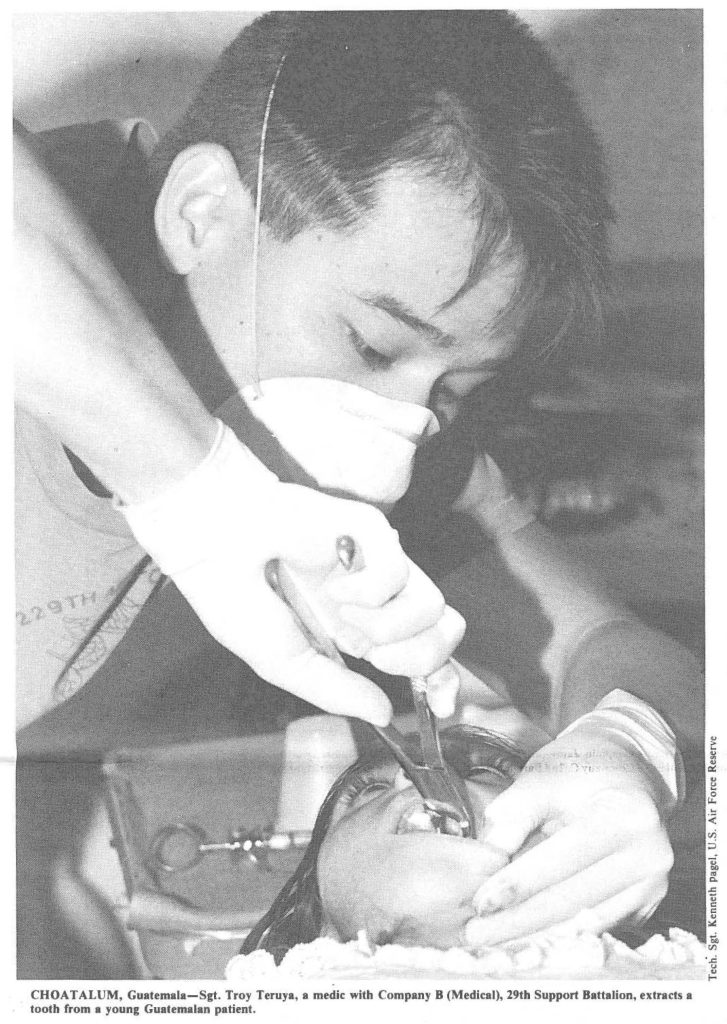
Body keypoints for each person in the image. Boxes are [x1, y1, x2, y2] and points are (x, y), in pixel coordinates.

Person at [15, 10, 703, 949]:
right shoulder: (42, 231)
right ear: (200, 214)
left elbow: (604, 639)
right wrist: (191, 479)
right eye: (372, 343)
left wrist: (629, 744)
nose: (402, 447)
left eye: (454, 393)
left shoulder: (390, 446)